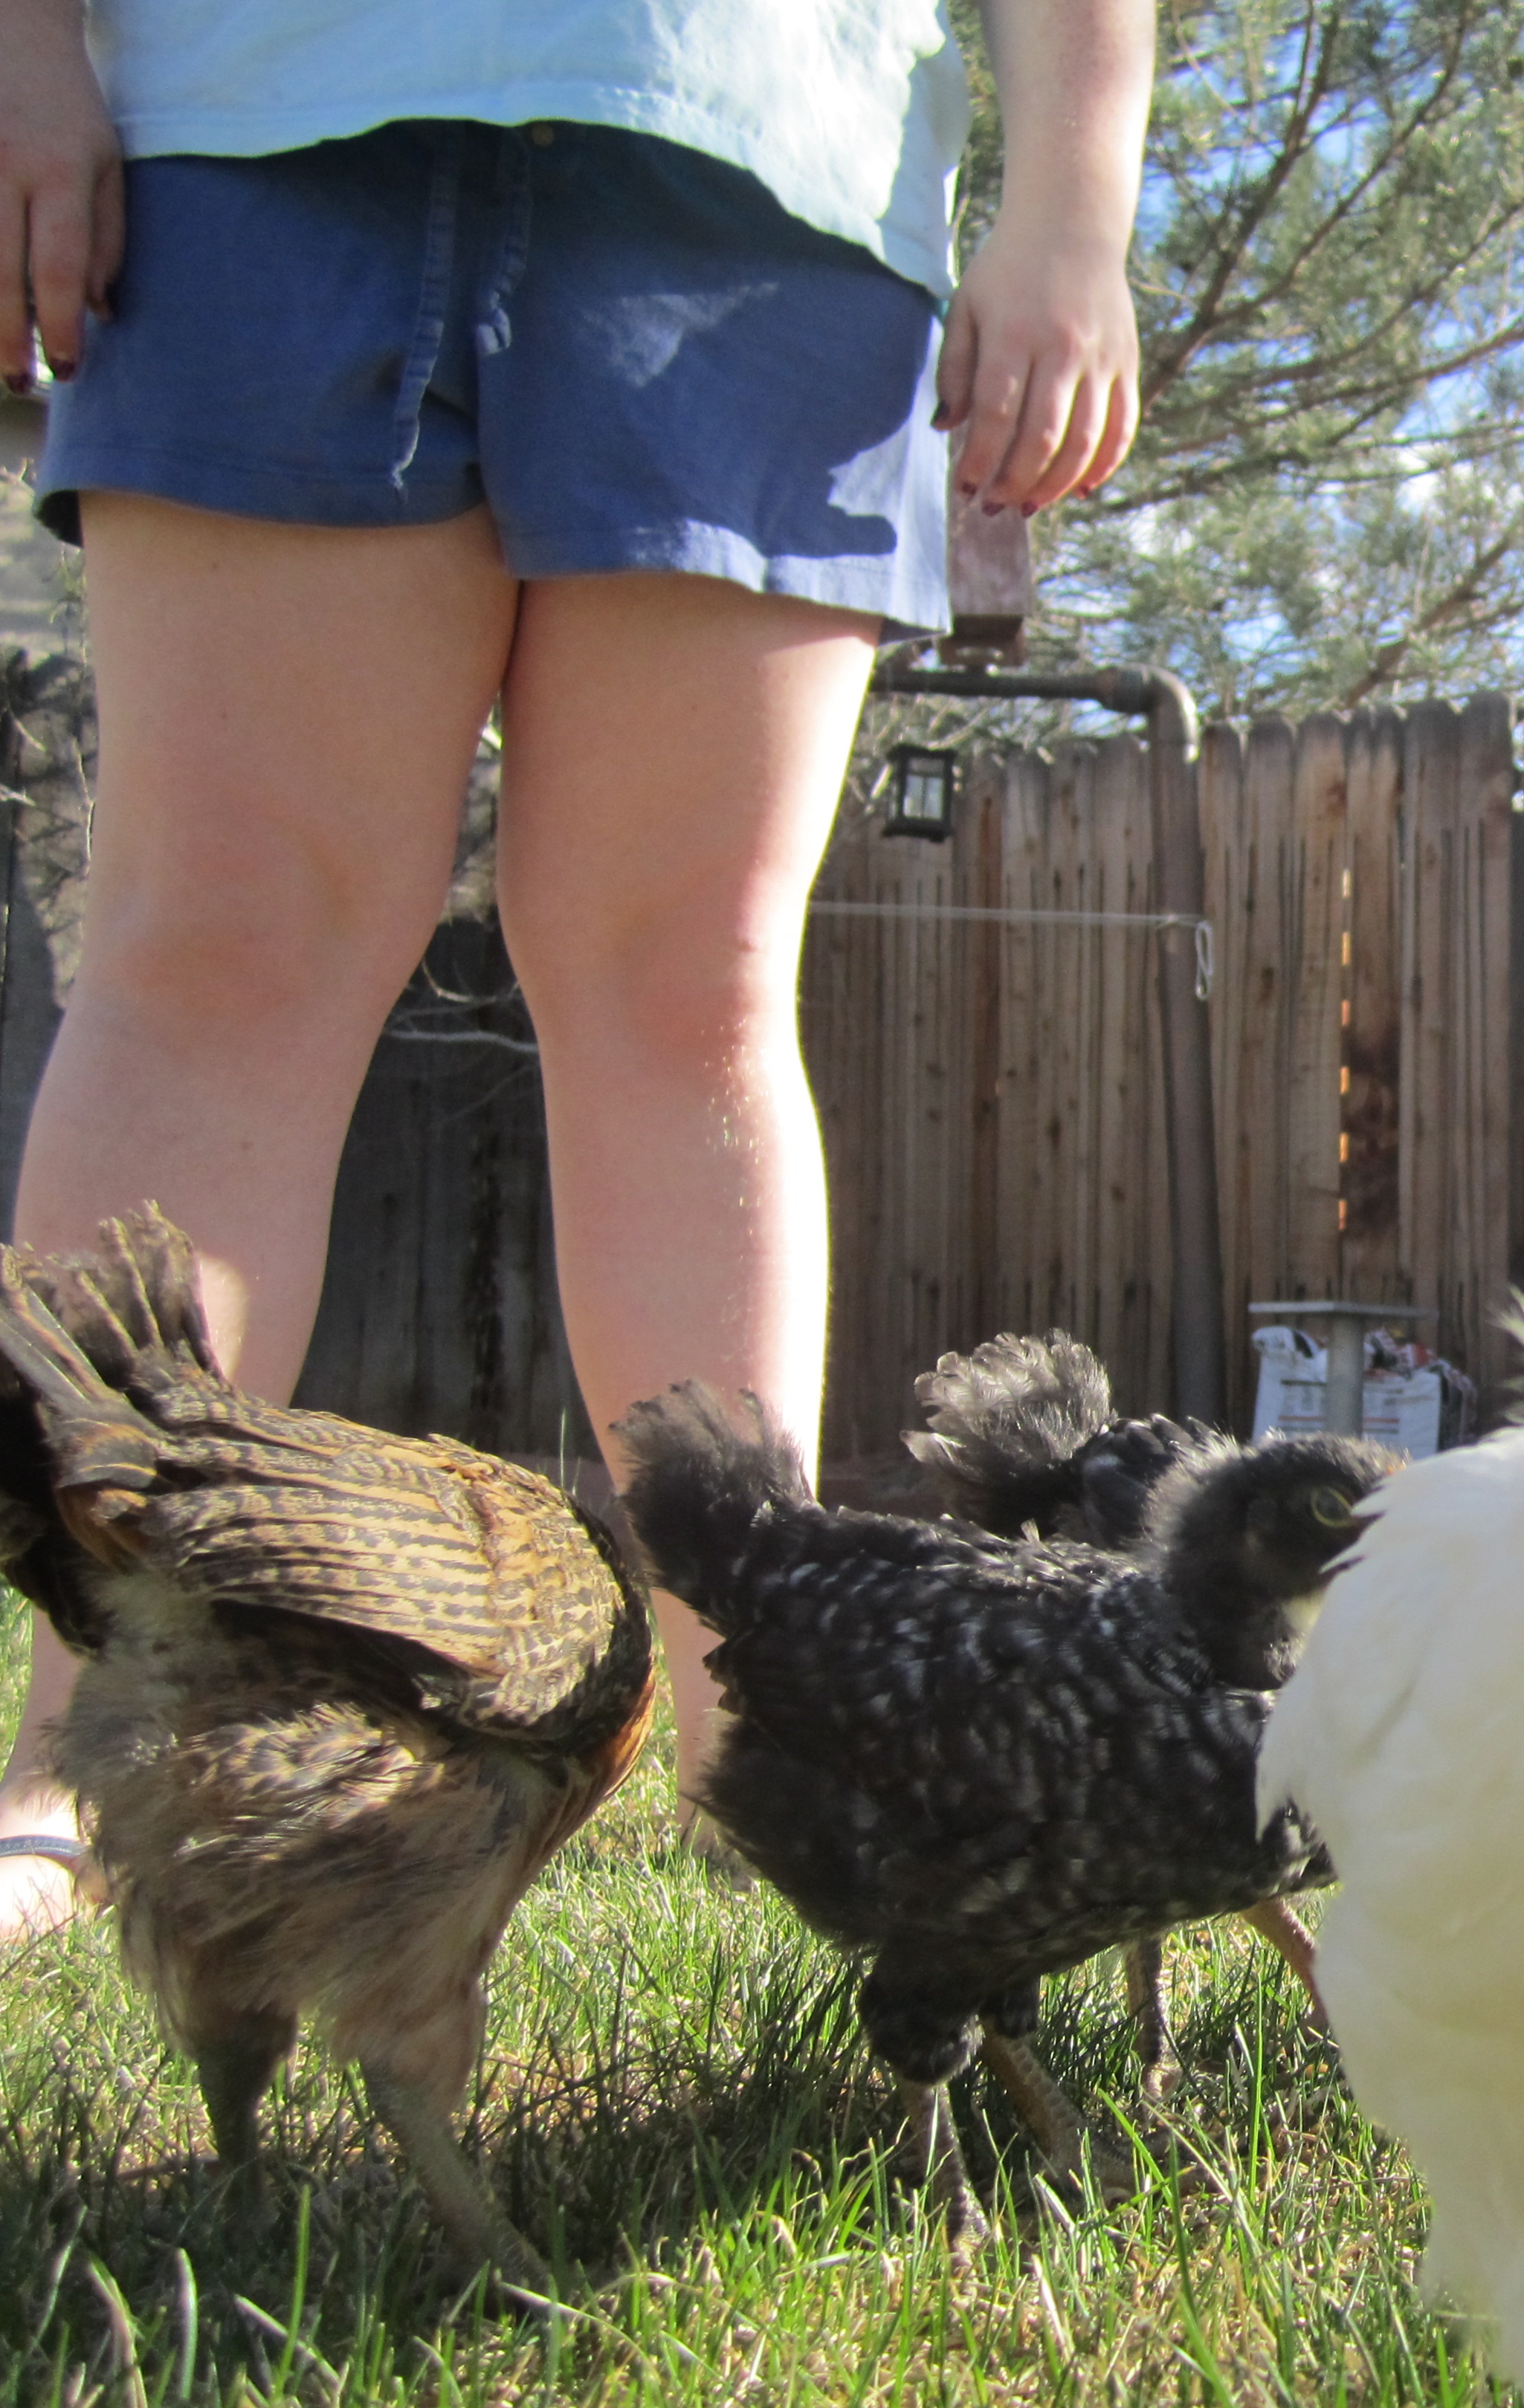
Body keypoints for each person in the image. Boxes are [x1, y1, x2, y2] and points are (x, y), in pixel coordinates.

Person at [0, 0, 1153, 1937]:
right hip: (251, 135)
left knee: (688, 982)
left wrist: (1074, 206)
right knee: (211, 957)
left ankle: (762, 1739)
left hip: (765, 173)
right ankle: (73, 1744)